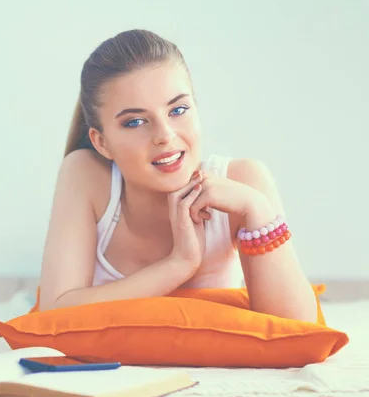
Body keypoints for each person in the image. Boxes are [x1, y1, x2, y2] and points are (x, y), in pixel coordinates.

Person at [38, 29, 317, 322]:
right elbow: (55, 313)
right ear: (101, 142)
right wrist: (179, 264)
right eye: (135, 122)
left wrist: (257, 208)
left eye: (178, 109)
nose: (165, 136)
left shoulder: (244, 182)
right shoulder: (86, 174)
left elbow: (298, 325)